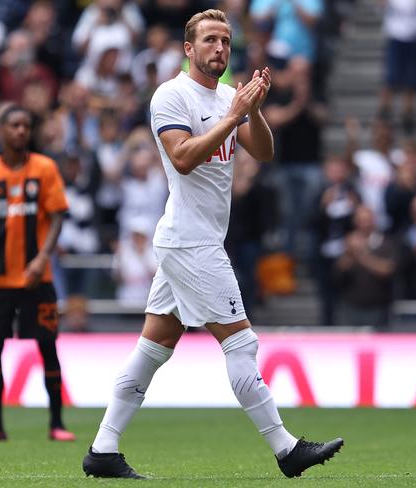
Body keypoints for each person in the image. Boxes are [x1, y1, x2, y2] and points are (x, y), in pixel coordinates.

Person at [81, 9, 343, 480]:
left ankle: (103, 448)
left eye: (225, 40)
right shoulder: (171, 96)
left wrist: (253, 111)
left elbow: (262, 152)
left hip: (191, 240)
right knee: (241, 343)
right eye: (209, 40)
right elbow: (182, 158)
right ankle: (286, 450)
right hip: (192, 245)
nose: (219, 48)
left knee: (153, 348)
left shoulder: (226, 96)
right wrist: (233, 117)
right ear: (188, 48)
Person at [0, 105, 75, 443]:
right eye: (14, 125)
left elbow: (56, 217)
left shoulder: (45, 168)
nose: (21, 131)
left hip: (38, 278)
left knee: (48, 347)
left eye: (26, 125)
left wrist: (41, 259)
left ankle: (56, 423)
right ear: (1, 130)